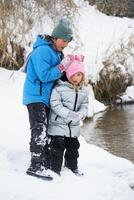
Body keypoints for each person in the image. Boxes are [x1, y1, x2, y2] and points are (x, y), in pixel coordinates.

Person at [22, 18, 73, 178]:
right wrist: (61, 66)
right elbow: (44, 76)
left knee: (46, 129)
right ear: (55, 37)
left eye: (67, 41)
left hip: (46, 97)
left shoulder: (58, 53)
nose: (65, 44)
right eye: (63, 40)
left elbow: (58, 75)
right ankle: (35, 165)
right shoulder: (43, 51)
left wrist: (73, 68)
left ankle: (43, 162)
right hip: (35, 96)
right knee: (39, 129)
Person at [46, 55, 89, 176]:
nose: (76, 78)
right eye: (73, 75)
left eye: (79, 75)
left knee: (73, 147)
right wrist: (69, 114)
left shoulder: (83, 92)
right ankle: (54, 169)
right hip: (57, 125)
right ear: (68, 74)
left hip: (73, 127)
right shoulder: (59, 88)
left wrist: (81, 114)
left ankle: (72, 167)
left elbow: (85, 105)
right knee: (57, 147)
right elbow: (55, 104)